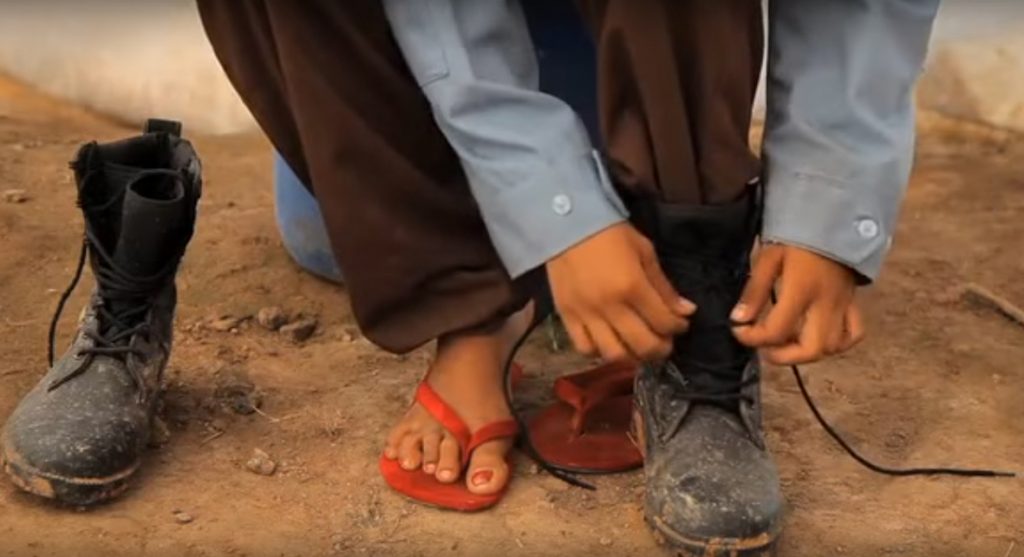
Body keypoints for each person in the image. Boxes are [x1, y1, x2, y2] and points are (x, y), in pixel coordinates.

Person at [0, 0, 939, 554]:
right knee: (332, 241)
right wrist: (550, 210)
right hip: (422, 62)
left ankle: (690, 275)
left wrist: (829, 198)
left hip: (655, 54)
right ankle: (474, 308)